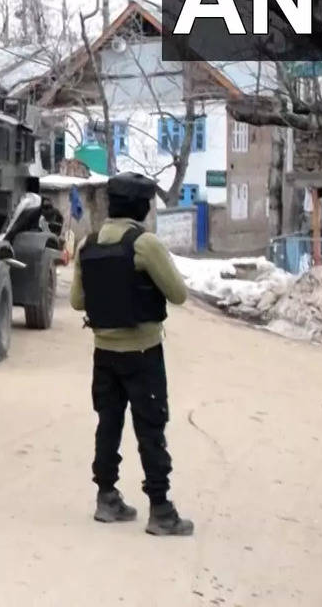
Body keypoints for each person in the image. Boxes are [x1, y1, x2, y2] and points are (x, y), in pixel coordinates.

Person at [70, 171, 193, 536]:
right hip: (142, 353)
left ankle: (106, 498)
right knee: (150, 429)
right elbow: (178, 294)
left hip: (103, 354)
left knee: (108, 424)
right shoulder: (145, 244)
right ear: (141, 206)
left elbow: (78, 301)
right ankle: (161, 511)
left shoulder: (88, 245)